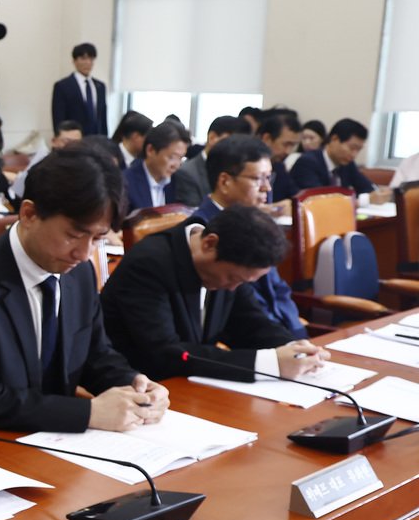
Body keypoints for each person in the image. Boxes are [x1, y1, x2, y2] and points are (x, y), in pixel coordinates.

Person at [0, 145, 168, 442]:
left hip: (58, 443)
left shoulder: (79, 272)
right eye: (74, 235)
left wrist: (134, 385)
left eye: (97, 238)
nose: (84, 252)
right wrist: (89, 413)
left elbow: (95, 354)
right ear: (29, 214)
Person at [101, 205, 327, 384]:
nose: (233, 288)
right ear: (210, 244)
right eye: (233, 279)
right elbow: (166, 354)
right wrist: (270, 364)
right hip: (144, 386)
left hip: (191, 383)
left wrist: (296, 350)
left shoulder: (230, 265)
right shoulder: (148, 264)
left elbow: (250, 325)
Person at [191, 136, 307, 339]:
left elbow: (277, 289)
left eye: (268, 178)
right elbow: (241, 309)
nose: (267, 188)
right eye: (258, 179)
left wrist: (297, 335)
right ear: (225, 181)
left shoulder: (257, 224)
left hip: (277, 333)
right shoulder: (203, 231)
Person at [173, 116, 248, 208]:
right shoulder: (188, 172)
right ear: (212, 138)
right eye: (232, 142)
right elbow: (193, 215)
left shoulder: (236, 171)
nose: (236, 150)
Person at [290, 118, 378, 197]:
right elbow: (319, 199)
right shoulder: (307, 162)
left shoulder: (347, 163)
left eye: (358, 150)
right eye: (352, 148)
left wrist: (377, 194)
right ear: (334, 139)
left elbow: (367, 189)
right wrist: (364, 200)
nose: (354, 155)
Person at [124, 121, 188, 212]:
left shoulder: (178, 181)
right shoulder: (126, 183)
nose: (176, 166)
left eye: (181, 158)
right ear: (150, 150)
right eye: (172, 157)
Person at [51, 42, 108, 136]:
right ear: (74, 61)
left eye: (91, 58)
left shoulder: (100, 86)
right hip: (74, 142)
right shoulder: (63, 86)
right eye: (83, 58)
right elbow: (58, 119)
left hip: (96, 142)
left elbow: (103, 118)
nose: (88, 62)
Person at [256, 112, 302, 202]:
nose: (288, 151)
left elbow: (296, 197)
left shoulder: (279, 167)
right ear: (267, 139)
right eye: (286, 144)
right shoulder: (247, 166)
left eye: (293, 146)